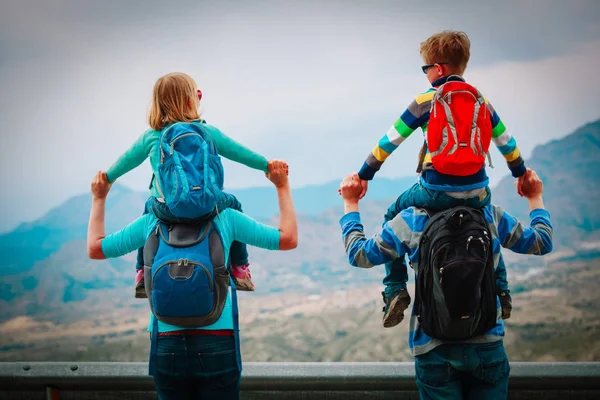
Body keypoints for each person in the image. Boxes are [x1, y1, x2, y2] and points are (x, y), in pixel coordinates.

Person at [353, 31, 529, 327]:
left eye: (426, 69)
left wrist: (364, 174)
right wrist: (520, 173)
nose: (426, 75)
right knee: (486, 220)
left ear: (439, 68)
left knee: (392, 212)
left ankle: (395, 289)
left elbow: (390, 140)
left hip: (435, 190)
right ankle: (501, 289)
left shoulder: (426, 100)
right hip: (477, 191)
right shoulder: (481, 100)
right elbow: (506, 143)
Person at [87, 160, 297, 400]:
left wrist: (99, 197)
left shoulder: (150, 221)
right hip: (218, 339)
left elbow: (96, 249)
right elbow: (288, 239)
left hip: (167, 342)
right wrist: (281, 185)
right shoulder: (226, 217)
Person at [338, 170, 553, 399]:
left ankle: (395, 288)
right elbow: (542, 242)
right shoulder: (491, 215)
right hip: (487, 343)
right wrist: (534, 197)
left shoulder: (411, 220)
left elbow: (360, 255)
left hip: (433, 347)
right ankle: (503, 291)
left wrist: (351, 203)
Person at [106, 72, 280, 297]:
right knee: (233, 203)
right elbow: (240, 153)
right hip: (207, 205)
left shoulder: (151, 137)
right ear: (191, 101)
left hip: (165, 209)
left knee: (147, 212)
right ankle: (239, 267)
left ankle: (141, 272)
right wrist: (267, 166)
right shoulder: (207, 132)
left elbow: (124, 162)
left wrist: (107, 178)